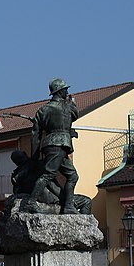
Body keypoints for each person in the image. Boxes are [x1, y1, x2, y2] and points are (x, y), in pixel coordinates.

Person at [32, 78, 80, 214]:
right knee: (48, 174)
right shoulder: (68, 106)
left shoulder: (42, 110)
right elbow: (75, 115)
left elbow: (35, 134)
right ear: (60, 91)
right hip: (59, 144)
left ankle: (69, 206)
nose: (67, 92)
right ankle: (30, 202)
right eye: (66, 89)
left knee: (73, 176)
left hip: (54, 145)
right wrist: (72, 103)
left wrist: (35, 154)